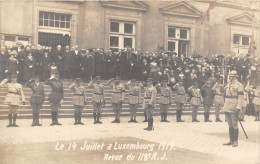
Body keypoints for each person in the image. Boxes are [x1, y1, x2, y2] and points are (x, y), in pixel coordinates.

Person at [222, 70, 244, 147]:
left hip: (234, 105)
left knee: (234, 123)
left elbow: (241, 97)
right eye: (230, 76)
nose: (230, 77)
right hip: (227, 105)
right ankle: (231, 140)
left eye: (231, 76)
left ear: (235, 77)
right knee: (229, 123)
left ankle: (235, 141)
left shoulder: (239, 85)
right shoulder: (228, 84)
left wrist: (238, 107)